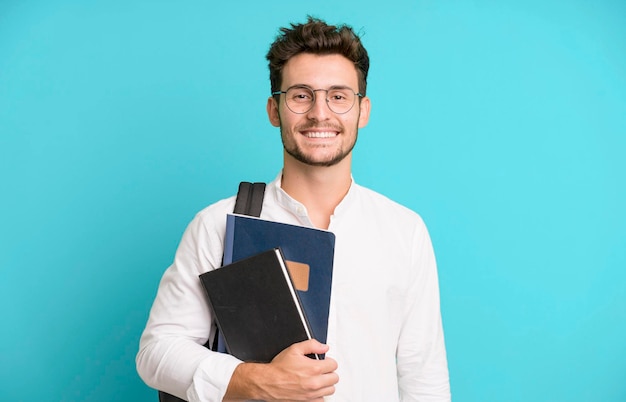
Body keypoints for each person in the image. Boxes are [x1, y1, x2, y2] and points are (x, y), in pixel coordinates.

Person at [136, 16, 450, 402]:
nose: (320, 113)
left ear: (362, 111)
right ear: (274, 110)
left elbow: (424, 379)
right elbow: (156, 352)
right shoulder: (219, 224)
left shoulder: (404, 231)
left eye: (338, 95)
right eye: (301, 95)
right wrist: (250, 380)